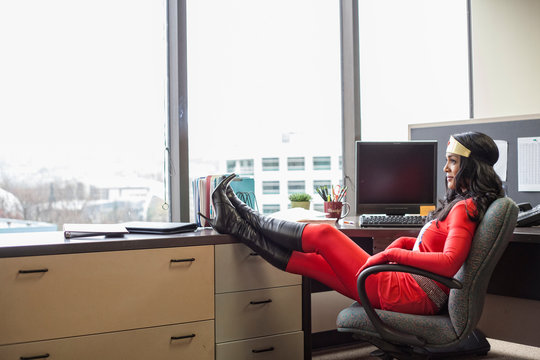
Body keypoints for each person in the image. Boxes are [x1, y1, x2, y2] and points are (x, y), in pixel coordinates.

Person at [200, 132, 505, 315]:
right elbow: (434, 246)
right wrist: (403, 243)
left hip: (410, 292)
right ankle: (236, 225)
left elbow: (450, 261)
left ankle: (242, 213)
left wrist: (393, 254)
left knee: (323, 235)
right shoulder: (464, 205)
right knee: (312, 263)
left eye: (453, 161)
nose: (445, 168)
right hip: (407, 286)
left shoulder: (465, 208)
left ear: (470, 165)